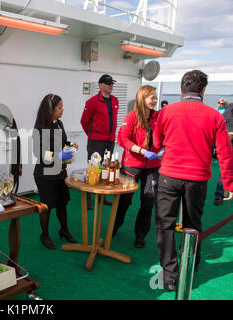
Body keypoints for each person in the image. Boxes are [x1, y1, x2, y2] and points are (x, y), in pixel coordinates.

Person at [153, 70, 233, 291]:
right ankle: (190, 264)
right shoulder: (215, 116)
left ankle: (170, 275)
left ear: (181, 89)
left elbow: (157, 141)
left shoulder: (167, 112)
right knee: (193, 225)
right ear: (203, 90)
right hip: (197, 179)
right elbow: (225, 153)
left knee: (165, 226)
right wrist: (229, 184)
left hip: (169, 175)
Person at [114, 85, 161, 248]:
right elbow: (123, 140)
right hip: (132, 165)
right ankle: (114, 227)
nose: (155, 101)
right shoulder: (131, 117)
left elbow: (166, 134)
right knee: (124, 200)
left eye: (155, 97)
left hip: (153, 166)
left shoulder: (159, 117)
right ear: (142, 98)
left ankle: (140, 235)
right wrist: (141, 150)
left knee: (148, 201)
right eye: (152, 98)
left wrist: (162, 148)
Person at [33, 94, 78, 250]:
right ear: (50, 109)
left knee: (62, 203)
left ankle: (64, 230)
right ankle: (44, 235)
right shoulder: (40, 127)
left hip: (60, 171)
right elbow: (38, 153)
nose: (62, 110)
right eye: (59, 107)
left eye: (62, 107)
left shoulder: (58, 123)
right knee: (47, 206)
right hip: (45, 174)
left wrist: (71, 144)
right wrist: (58, 155)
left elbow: (63, 141)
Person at [81, 74, 119, 209]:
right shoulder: (92, 102)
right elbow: (84, 121)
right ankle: (88, 199)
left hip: (110, 141)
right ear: (100, 85)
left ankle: (102, 197)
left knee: (106, 169)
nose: (111, 86)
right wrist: (92, 135)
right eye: (108, 83)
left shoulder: (115, 101)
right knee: (93, 169)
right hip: (96, 141)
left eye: (112, 83)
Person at [213, 101, 233, 205]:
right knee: (225, 167)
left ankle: (221, 194)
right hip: (228, 142)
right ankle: (220, 194)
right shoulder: (229, 109)